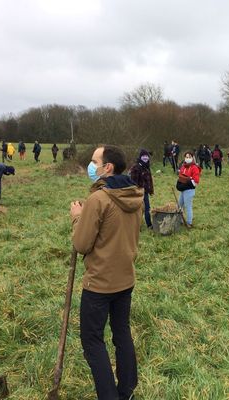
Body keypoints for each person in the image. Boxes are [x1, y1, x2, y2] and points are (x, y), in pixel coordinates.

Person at [70, 145, 143, 400]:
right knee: (121, 333)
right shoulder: (136, 195)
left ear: (107, 167)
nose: (92, 166)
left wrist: (77, 217)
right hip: (126, 278)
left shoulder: (98, 200)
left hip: (99, 284)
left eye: (94, 161)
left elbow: (81, 244)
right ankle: (127, 391)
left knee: (92, 340)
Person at [129, 149, 154, 229]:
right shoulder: (136, 167)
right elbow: (133, 181)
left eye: (147, 156)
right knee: (139, 209)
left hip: (145, 192)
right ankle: (137, 225)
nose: (145, 158)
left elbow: (149, 179)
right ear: (140, 157)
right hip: (138, 192)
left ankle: (148, 225)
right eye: (143, 156)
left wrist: (151, 190)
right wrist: (139, 189)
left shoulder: (147, 166)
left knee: (147, 208)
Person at [176, 152, 201, 227]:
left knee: (188, 206)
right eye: (186, 157)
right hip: (183, 190)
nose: (187, 158)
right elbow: (180, 176)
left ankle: (189, 222)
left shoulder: (194, 168)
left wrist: (187, 182)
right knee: (179, 205)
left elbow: (195, 181)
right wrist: (180, 182)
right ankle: (179, 220)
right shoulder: (183, 166)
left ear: (192, 158)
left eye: (189, 157)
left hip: (189, 190)